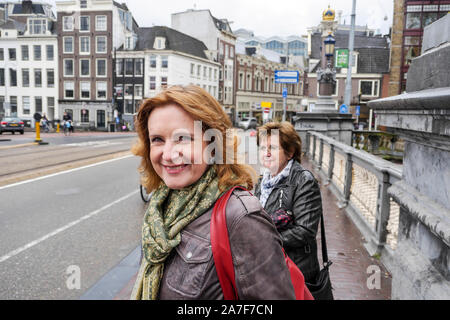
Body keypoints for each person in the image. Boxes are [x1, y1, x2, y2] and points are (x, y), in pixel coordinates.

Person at [130, 85, 296, 300]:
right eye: (158, 139)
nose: (168, 154)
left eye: (183, 138)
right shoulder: (161, 206)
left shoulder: (241, 217)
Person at [254, 121, 322, 285]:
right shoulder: (263, 180)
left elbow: (305, 231)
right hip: (269, 266)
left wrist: (264, 240)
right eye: (263, 148)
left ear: (290, 152)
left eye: (273, 148)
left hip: (295, 271)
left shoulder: (303, 180)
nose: (266, 153)